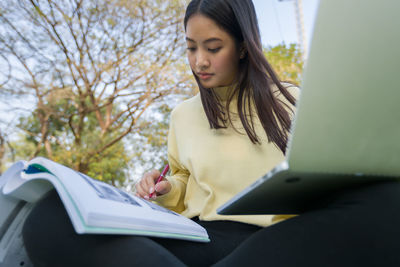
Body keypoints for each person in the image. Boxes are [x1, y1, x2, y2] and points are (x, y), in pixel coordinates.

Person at [22, 0, 400, 266]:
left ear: (241, 46)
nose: (199, 61)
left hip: (273, 240)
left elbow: (330, 171)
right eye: (191, 48)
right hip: (198, 238)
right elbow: (182, 178)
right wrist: (167, 189)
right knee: (51, 215)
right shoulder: (183, 115)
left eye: (213, 47)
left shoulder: (292, 99)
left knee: (389, 198)